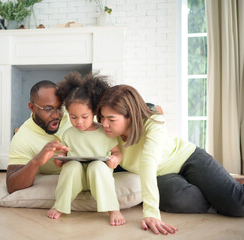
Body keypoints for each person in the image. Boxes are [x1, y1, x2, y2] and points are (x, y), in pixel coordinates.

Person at [97, 84, 244, 235]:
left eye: (111, 119)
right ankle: (219, 196)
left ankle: (227, 192)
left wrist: (151, 213)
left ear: (130, 116)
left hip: (187, 158)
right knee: (177, 200)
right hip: (162, 175)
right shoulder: (105, 135)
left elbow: (148, 162)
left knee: (237, 205)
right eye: (102, 117)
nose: (104, 124)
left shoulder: (153, 121)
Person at [47, 72, 125, 226]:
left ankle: (113, 209)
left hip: (98, 176)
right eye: (73, 117)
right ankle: (60, 205)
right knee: (72, 166)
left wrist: (115, 160)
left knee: (97, 166)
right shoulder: (69, 134)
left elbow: (117, 152)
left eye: (84, 117)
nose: (79, 122)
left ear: (95, 112)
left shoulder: (104, 132)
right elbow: (63, 152)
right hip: (77, 178)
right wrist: (59, 158)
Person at [6, 80, 71, 194]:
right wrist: (36, 161)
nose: (56, 115)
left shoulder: (76, 116)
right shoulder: (23, 138)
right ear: (32, 107)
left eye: (59, 107)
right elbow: (12, 186)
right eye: (47, 109)